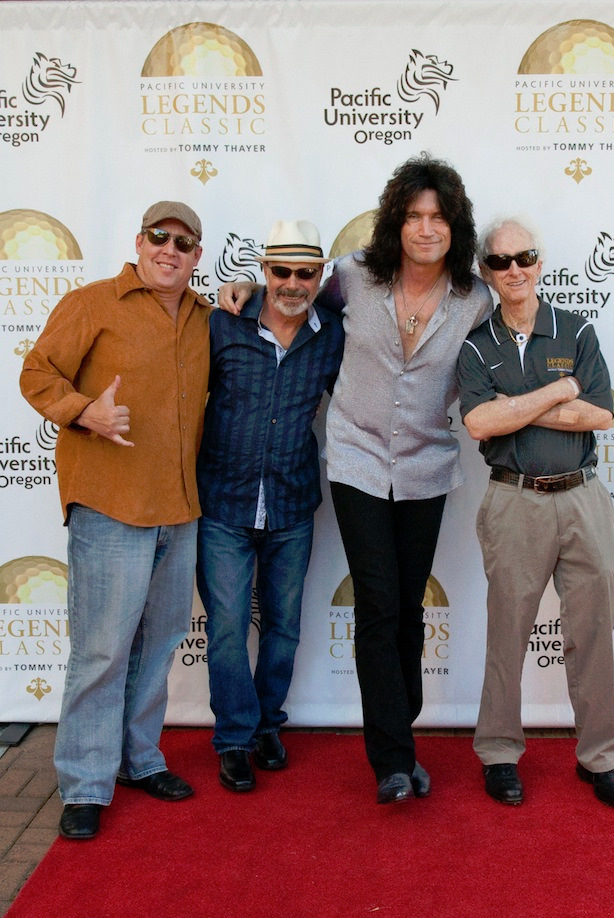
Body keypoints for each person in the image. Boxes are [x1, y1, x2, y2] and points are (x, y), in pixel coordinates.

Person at [221, 154, 492, 803]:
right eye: (414, 215)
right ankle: (393, 760)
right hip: (356, 459)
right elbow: (295, 290)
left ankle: (401, 710)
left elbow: (509, 337)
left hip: (427, 465)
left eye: (438, 216)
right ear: (396, 220)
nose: (426, 228)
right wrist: (242, 289)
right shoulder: (353, 277)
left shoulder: (473, 299)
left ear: (453, 226)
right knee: (377, 602)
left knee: (407, 605)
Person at [19, 200, 211, 839]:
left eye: (184, 244)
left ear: (196, 256)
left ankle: (139, 759)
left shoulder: (207, 317)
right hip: (110, 507)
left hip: (180, 510)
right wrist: (82, 411)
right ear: (139, 241)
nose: (170, 250)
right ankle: (83, 783)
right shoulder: (92, 302)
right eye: (160, 237)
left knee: (156, 648)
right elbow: (36, 371)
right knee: (101, 651)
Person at [456, 216, 614, 809]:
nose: (514, 270)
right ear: (486, 271)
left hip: (582, 499)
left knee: (592, 632)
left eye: (524, 257)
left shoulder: (575, 330)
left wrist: (518, 406)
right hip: (514, 501)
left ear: (540, 261)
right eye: (501, 262)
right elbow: (479, 422)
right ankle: (500, 752)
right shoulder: (477, 344)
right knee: (507, 632)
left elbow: (602, 415)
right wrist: (559, 392)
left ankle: (599, 757)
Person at [196, 220, 343, 793]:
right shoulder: (224, 324)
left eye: (305, 272)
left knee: (283, 627)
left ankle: (265, 725)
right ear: (263, 271)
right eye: (281, 271)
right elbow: (182, 394)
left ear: (320, 276)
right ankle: (234, 736)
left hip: (292, 503)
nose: (292, 283)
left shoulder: (331, 333)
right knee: (229, 628)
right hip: (224, 504)